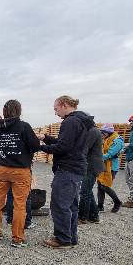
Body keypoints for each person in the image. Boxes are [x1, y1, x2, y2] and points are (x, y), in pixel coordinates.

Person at [36, 95, 95, 249]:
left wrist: (39, 147)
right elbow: (66, 143)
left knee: (60, 205)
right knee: (71, 205)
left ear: (63, 105)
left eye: (56, 109)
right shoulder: (81, 120)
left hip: (67, 169)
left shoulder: (70, 122)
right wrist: (46, 138)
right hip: (76, 168)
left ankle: (62, 239)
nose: (56, 113)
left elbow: (63, 148)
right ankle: (71, 237)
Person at [0, 100, 40, 247]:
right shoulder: (24, 126)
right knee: (19, 205)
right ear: (19, 110)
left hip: (2, 169)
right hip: (20, 170)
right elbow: (35, 146)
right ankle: (17, 238)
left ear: (4, 112)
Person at [78, 121, 105, 223]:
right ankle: (94, 216)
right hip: (91, 166)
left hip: (91, 167)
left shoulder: (93, 132)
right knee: (88, 191)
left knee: (84, 192)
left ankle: (82, 217)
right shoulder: (93, 131)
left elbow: (84, 148)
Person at [97, 124, 124, 213]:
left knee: (105, 185)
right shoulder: (106, 139)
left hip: (111, 167)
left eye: (103, 132)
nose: (102, 134)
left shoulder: (117, 141)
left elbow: (110, 154)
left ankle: (117, 202)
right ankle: (100, 206)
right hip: (102, 165)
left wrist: (96, 158)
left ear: (109, 132)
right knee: (100, 185)